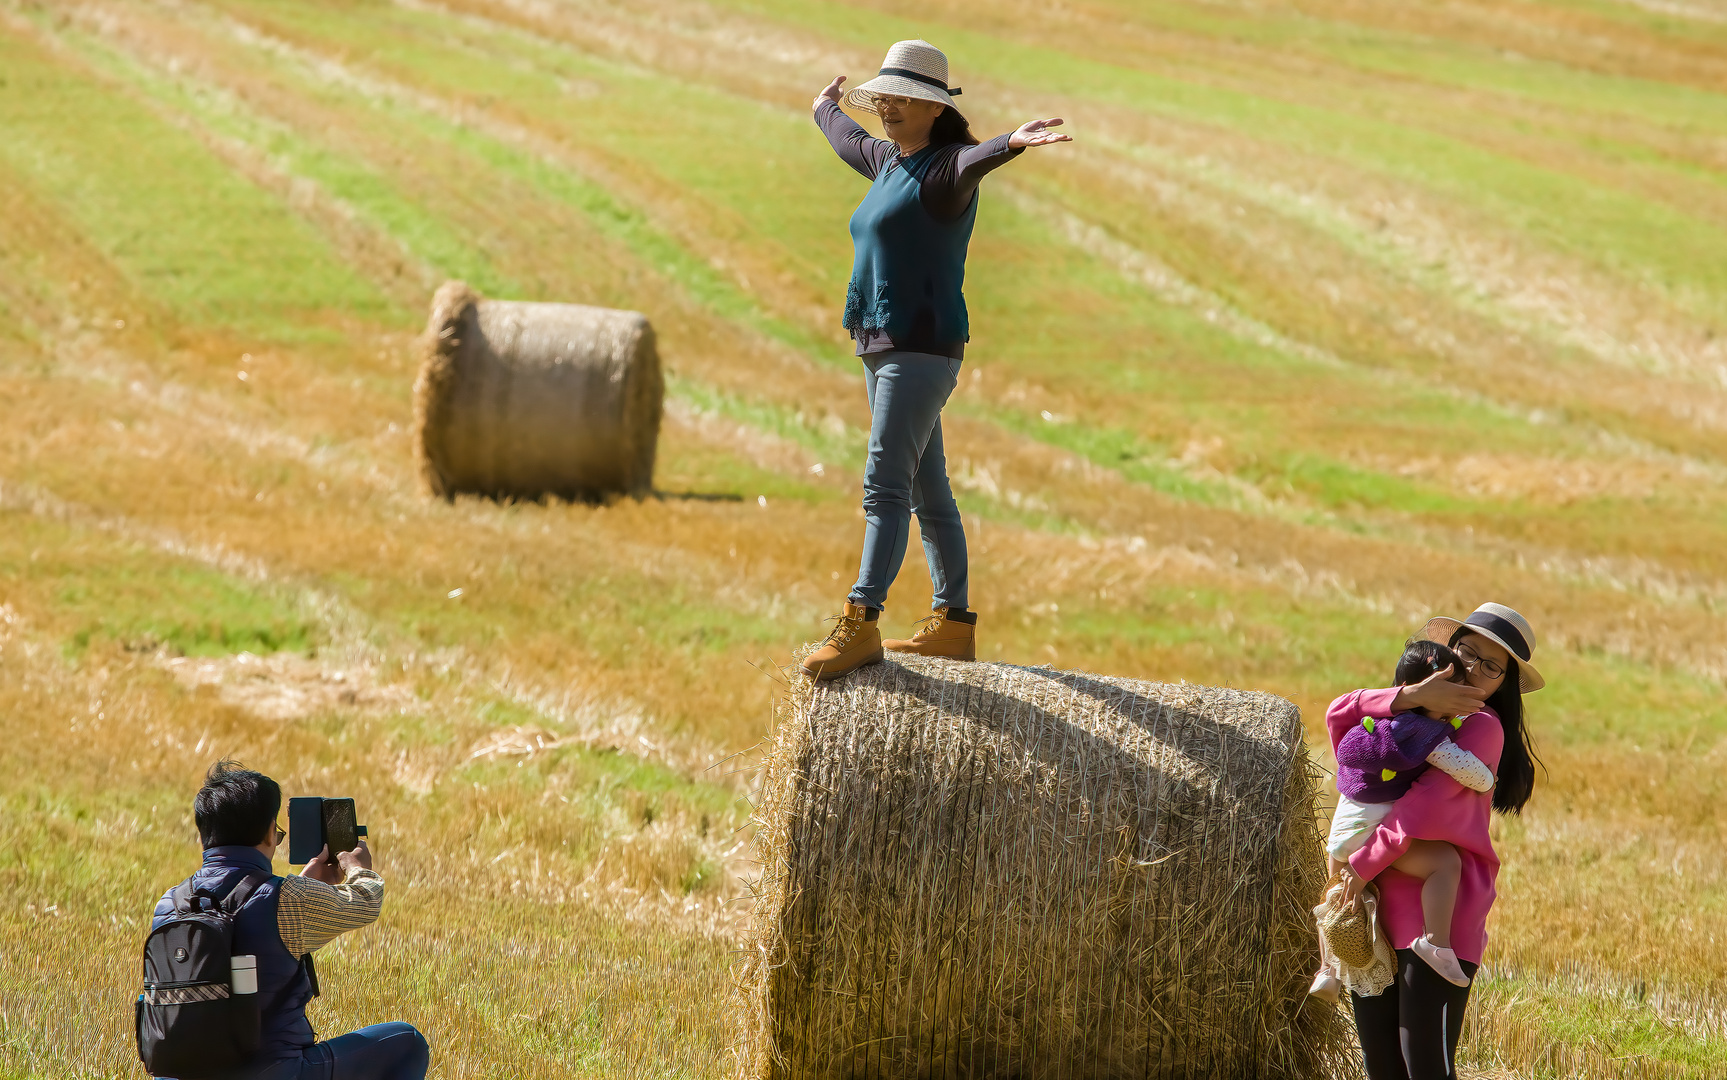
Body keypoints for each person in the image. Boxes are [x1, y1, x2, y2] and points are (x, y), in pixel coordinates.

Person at [799, 39, 1073, 680]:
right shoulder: (890, 162)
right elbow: (848, 141)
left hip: (918, 350)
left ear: (931, 107)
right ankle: (954, 623)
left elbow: (976, 161)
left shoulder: (945, 171)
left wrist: (1012, 141)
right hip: (883, 346)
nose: (889, 108)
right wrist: (823, 109)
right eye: (885, 99)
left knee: (883, 486)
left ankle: (861, 620)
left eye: (902, 99)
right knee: (927, 488)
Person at [1327, 604, 1545, 1080]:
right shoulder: (1414, 713)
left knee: (1425, 1066)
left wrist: (1358, 864)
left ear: (1503, 682)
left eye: (1492, 666)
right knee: (1382, 1066)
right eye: (1467, 652)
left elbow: (1419, 811)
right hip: (1377, 910)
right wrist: (1406, 697)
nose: (1474, 668)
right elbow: (1340, 722)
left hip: (1437, 922)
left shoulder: (1483, 729)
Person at [150, 761, 429, 1080]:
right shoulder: (288, 898)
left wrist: (305, 883)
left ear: (204, 837)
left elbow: (244, 913)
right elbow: (365, 902)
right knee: (407, 1041)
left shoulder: (169, 902)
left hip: (178, 1075)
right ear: (270, 833)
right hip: (273, 1072)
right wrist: (358, 868)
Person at [1309, 639, 1494, 1002]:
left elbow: (1336, 717)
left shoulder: (1375, 723)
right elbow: (1466, 769)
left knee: (1334, 893)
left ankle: (1327, 970)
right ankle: (1437, 944)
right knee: (1444, 864)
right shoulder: (1426, 736)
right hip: (1374, 830)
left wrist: (1406, 696)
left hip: (1342, 825)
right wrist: (1487, 779)